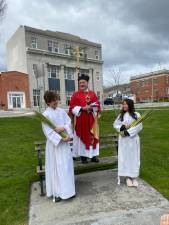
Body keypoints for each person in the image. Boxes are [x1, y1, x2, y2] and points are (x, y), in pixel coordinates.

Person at [42, 90, 75, 202]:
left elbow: (69, 123)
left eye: (56, 99)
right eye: (53, 100)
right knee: (56, 168)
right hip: (55, 147)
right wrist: (61, 138)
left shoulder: (61, 111)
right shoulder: (45, 115)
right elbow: (48, 132)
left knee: (66, 167)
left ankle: (68, 191)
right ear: (48, 102)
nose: (56, 101)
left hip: (65, 145)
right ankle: (57, 193)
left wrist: (64, 129)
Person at [69, 74, 101, 164]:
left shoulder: (92, 94)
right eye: (80, 83)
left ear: (87, 82)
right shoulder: (76, 95)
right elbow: (72, 107)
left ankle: (94, 156)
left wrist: (91, 108)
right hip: (81, 121)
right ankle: (84, 157)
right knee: (82, 138)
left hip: (92, 121)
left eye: (83, 82)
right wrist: (82, 108)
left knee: (93, 137)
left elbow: (98, 105)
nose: (81, 84)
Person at [113, 98, 143, 187]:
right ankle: (127, 177)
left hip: (133, 140)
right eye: (123, 104)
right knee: (125, 157)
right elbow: (115, 125)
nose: (124, 106)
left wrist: (129, 132)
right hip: (124, 141)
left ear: (130, 105)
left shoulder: (136, 115)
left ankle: (134, 177)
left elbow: (139, 126)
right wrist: (123, 127)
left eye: (126, 104)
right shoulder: (121, 115)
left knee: (134, 158)